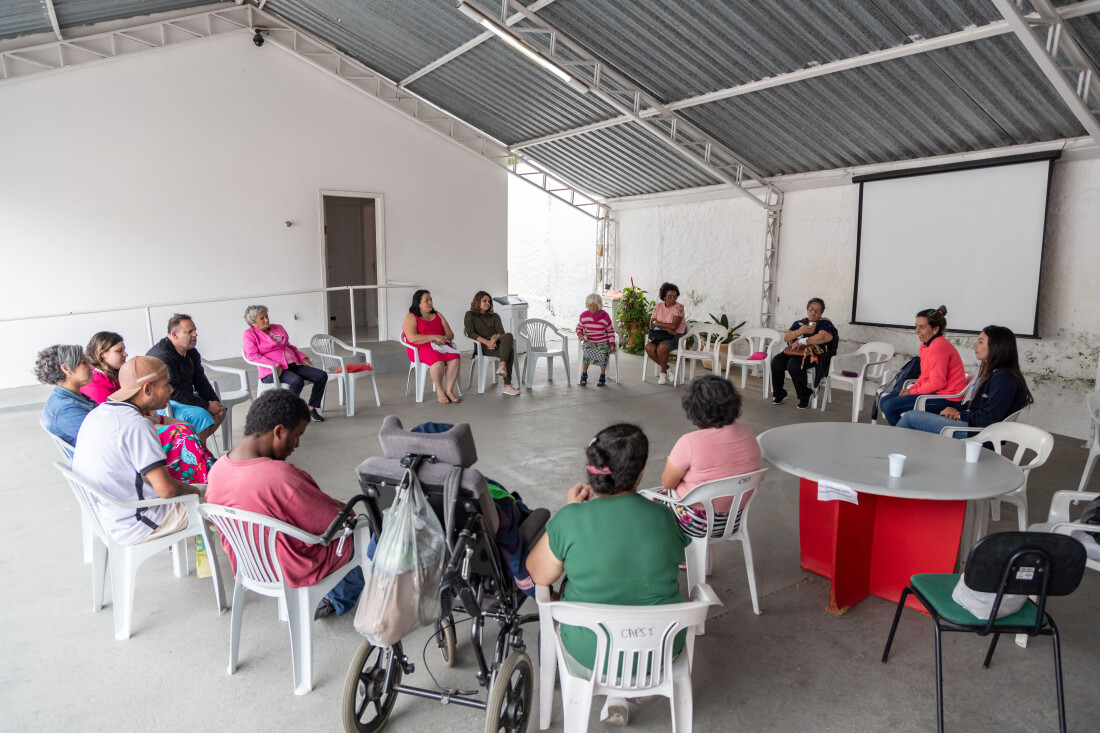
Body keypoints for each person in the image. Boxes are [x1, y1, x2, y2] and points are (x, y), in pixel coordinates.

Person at [526, 424, 690, 726]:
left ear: (592, 474)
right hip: (659, 654)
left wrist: (570, 511)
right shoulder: (664, 517)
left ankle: (613, 690)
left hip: (591, 655)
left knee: (567, 603)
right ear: (640, 475)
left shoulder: (571, 519)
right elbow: (674, 557)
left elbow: (538, 574)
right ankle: (627, 691)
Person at [206, 389, 365, 619]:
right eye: (297, 435)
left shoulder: (218, 469)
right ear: (279, 431)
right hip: (293, 567)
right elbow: (336, 524)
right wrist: (348, 511)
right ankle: (339, 599)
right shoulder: (281, 477)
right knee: (366, 532)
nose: (297, 445)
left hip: (251, 565)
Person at [72, 356, 204, 545]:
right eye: (166, 384)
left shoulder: (99, 413)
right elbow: (166, 490)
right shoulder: (136, 425)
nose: (171, 390)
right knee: (231, 504)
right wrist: (194, 491)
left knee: (210, 491)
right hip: (139, 522)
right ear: (147, 389)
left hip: (110, 516)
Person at [82, 331, 216, 484]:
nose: (125, 354)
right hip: (131, 436)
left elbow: (137, 409)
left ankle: (205, 472)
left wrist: (150, 415)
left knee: (187, 427)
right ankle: (205, 478)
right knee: (181, 432)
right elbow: (123, 419)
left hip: (142, 420)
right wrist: (149, 418)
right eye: (119, 350)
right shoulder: (97, 384)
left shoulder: (116, 375)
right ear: (102, 354)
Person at [656, 375, 761, 536]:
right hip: (733, 520)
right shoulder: (748, 433)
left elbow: (668, 483)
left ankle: (678, 557)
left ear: (694, 409)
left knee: (647, 504)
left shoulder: (690, 442)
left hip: (695, 523)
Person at [896, 325, 1033, 437]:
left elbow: (989, 419)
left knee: (910, 417)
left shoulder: (1005, 379)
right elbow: (978, 406)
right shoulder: (996, 374)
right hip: (973, 425)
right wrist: (956, 410)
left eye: (980, 341)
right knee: (922, 415)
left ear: (997, 347)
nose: (974, 345)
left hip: (978, 433)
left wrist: (960, 414)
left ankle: (890, 452)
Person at [880, 306, 968, 427]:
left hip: (947, 398)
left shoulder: (938, 347)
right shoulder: (925, 345)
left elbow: (938, 383)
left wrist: (913, 391)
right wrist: (912, 389)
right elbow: (925, 375)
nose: (917, 331)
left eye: (922, 327)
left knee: (890, 406)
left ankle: (905, 437)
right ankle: (907, 435)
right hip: (935, 392)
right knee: (884, 401)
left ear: (935, 329)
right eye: (916, 326)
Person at [147, 314, 226, 443]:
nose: (195, 334)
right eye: (189, 331)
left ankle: (196, 448)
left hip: (183, 396)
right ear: (174, 334)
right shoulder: (162, 356)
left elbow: (200, 380)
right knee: (201, 415)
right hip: (163, 402)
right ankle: (197, 453)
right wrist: (207, 406)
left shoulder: (191, 352)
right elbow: (173, 392)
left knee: (221, 411)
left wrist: (214, 402)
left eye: (195, 330)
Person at [241, 304, 327, 422]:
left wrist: (302, 357)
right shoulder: (250, 334)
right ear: (253, 323)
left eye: (266, 316)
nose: (266, 319)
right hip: (273, 371)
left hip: (293, 364)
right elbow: (252, 355)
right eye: (262, 318)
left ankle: (311, 408)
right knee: (297, 381)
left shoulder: (277, 327)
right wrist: (274, 364)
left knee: (321, 375)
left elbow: (288, 346)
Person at [771, 297, 839, 409]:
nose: (814, 312)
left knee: (793, 365)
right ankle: (779, 393)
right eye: (811, 309)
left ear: (821, 312)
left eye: (818, 310)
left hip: (813, 355)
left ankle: (804, 394)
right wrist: (800, 331)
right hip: (795, 351)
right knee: (776, 362)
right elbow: (787, 338)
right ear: (807, 309)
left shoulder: (824, 324)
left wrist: (802, 341)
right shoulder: (799, 323)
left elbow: (824, 337)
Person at [403, 289, 461, 405]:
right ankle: (440, 391)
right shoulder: (411, 317)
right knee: (437, 360)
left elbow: (450, 334)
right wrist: (434, 337)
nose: (430, 302)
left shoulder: (438, 315)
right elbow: (412, 338)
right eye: (426, 300)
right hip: (420, 347)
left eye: (431, 300)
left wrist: (443, 339)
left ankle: (449, 390)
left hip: (440, 345)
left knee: (455, 357)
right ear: (418, 303)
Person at [35, 344, 95, 446]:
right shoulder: (65, 409)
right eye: (84, 362)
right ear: (66, 369)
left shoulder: (67, 397)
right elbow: (105, 437)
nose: (91, 367)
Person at [463, 290, 519, 396]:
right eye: (484, 301)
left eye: (489, 301)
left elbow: (501, 332)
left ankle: (502, 365)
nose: (488, 303)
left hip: (496, 344)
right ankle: (507, 385)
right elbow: (470, 333)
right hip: (482, 348)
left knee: (508, 335)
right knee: (510, 351)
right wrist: (487, 342)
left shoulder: (494, 316)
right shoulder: (470, 315)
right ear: (477, 301)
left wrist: (493, 340)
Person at [645, 282, 686, 385]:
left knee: (662, 348)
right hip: (660, 335)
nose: (673, 299)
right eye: (669, 296)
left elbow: (674, 327)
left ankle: (662, 373)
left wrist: (658, 323)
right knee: (649, 347)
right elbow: (652, 325)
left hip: (676, 336)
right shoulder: (658, 306)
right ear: (664, 296)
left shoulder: (679, 307)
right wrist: (666, 327)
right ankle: (667, 369)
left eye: (675, 296)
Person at [576, 293, 616, 387]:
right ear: (587, 305)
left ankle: (602, 375)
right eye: (590, 305)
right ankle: (584, 374)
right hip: (589, 341)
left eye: (595, 305)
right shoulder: (584, 315)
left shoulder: (605, 316)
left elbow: (610, 331)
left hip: (602, 341)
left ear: (599, 305)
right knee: (587, 352)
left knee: (603, 352)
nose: (592, 308)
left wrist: (612, 344)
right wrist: (580, 334)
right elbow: (579, 327)